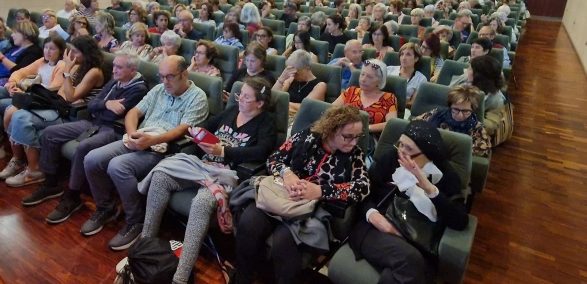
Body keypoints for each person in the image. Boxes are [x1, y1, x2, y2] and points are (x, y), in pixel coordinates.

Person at [140, 77, 277, 284]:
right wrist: (198, 133)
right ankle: (144, 248)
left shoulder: (266, 122)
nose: (240, 99)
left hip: (228, 175)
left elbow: (262, 151)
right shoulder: (232, 111)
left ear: (260, 103)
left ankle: (181, 276)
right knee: (160, 176)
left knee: (202, 202)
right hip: (203, 166)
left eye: (246, 97)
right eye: (240, 94)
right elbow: (207, 125)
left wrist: (223, 151)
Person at [80, 55, 208, 250]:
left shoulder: (197, 96)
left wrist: (153, 140)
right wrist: (132, 134)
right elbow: (133, 113)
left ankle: (135, 221)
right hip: (140, 138)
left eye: (170, 77)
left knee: (117, 166)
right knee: (92, 159)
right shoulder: (158, 90)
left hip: (164, 149)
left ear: (184, 74)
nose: (165, 82)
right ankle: (106, 208)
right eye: (161, 76)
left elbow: (183, 129)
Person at [233, 105, 369, 284]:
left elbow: (363, 187)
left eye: (358, 137)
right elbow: (274, 158)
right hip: (282, 194)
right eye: (348, 136)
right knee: (250, 221)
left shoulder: (355, 155)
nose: (353, 142)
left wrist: (321, 191)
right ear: (330, 130)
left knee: (285, 241)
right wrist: (287, 174)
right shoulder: (307, 137)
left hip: (311, 209)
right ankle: (242, 278)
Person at [20, 51, 148, 223]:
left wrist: (101, 106)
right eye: (114, 65)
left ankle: (73, 196)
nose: (114, 69)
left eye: (119, 67)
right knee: (50, 133)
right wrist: (107, 104)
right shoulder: (115, 81)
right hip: (93, 123)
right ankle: (51, 184)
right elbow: (93, 105)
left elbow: (113, 116)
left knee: (83, 147)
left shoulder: (139, 89)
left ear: (132, 70)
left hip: (112, 131)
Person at [348, 120, 469, 284]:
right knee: (412, 260)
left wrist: (429, 188)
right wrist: (373, 215)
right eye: (401, 145)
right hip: (374, 228)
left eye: (409, 149)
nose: (401, 152)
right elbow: (363, 191)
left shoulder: (446, 175)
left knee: (412, 266)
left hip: (416, 238)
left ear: (428, 154)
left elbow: (460, 221)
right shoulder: (391, 157)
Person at [2, 35, 106, 187]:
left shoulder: (94, 71)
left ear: (86, 52)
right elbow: (62, 94)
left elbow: (70, 96)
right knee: (18, 115)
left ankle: (34, 170)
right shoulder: (78, 66)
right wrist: (69, 90)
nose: (71, 56)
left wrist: (68, 73)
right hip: (63, 108)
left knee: (22, 119)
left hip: (77, 115)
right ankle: (25, 164)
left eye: (75, 52)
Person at [414, 85, 491, 156]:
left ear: (472, 110)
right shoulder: (436, 114)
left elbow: (483, 150)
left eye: (466, 111)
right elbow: (413, 125)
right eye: (456, 109)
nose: (460, 115)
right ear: (450, 106)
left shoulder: (477, 128)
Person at [333, 59, 397, 136]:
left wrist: (366, 128)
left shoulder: (389, 98)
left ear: (380, 81)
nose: (363, 79)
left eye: (369, 77)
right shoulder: (351, 91)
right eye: (362, 74)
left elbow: (391, 124)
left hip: (369, 138)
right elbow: (331, 111)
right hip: (343, 134)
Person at [450, 55, 505, 136]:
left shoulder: (497, 99)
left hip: (471, 132)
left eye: (470, 69)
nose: (467, 70)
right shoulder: (465, 79)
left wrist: (467, 116)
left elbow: (490, 126)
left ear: (479, 76)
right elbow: (446, 92)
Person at [274, 50, 327, 119]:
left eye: (297, 71)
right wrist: (281, 79)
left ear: (308, 69)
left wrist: (283, 103)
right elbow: (274, 97)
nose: (294, 74)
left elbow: (305, 107)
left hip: (302, 119)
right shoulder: (292, 78)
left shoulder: (320, 85)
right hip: (285, 115)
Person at [386, 42, 427, 108]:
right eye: (402, 54)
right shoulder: (389, 69)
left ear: (416, 58)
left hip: (404, 109)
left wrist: (393, 104)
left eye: (408, 54)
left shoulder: (421, 79)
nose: (404, 58)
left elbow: (413, 103)